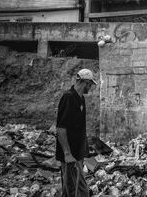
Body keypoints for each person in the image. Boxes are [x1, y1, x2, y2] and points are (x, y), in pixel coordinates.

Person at [56, 69, 97, 197]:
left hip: (77, 154)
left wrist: (83, 151)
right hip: (70, 155)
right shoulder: (68, 97)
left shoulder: (81, 99)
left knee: (74, 188)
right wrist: (67, 154)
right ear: (85, 82)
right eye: (90, 84)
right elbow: (61, 129)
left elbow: (79, 127)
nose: (90, 88)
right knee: (74, 190)